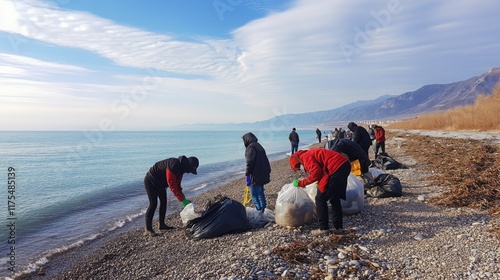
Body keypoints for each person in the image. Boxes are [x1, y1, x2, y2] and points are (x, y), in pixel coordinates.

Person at [289, 148, 351, 234]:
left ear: (298, 161)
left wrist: (302, 183)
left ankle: (323, 228)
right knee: (334, 197)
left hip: (336, 168)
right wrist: (320, 182)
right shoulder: (309, 153)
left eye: (298, 167)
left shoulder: (305, 157)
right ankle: (338, 227)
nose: (300, 169)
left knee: (320, 199)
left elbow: (316, 173)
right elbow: (322, 169)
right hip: (344, 165)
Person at [144, 155, 199, 237]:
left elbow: (178, 186)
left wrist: (184, 199)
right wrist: (182, 201)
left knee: (163, 202)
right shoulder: (174, 165)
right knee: (153, 204)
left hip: (160, 184)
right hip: (151, 181)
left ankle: (162, 225)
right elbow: (172, 185)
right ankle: (148, 229)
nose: (188, 172)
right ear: (187, 166)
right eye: (190, 170)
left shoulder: (181, 170)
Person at [242, 132, 271, 213]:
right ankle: (263, 209)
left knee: (254, 195)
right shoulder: (259, 146)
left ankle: (259, 211)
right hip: (263, 173)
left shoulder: (250, 148)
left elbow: (249, 163)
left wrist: (247, 174)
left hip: (255, 175)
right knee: (261, 192)